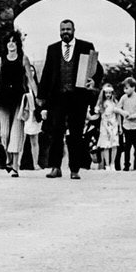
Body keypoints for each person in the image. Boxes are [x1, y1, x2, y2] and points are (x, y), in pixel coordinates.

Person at [34, 18, 98, 179]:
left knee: (76, 134)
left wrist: (94, 80)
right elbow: (47, 74)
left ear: (74, 30)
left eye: (68, 29)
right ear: (59, 31)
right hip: (57, 98)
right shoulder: (53, 49)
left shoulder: (85, 47)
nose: (65, 32)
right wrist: (41, 98)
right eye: (63, 30)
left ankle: (75, 169)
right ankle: (55, 167)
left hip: (78, 98)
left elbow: (97, 68)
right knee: (56, 133)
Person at [0, 24, 33, 178]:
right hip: (4, 99)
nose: (11, 44)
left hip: (19, 99)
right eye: (8, 42)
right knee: (4, 133)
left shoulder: (23, 59)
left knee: (16, 132)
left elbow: (30, 80)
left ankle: (15, 166)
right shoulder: (1, 60)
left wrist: (38, 98)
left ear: (18, 43)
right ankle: (8, 159)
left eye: (14, 41)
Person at [118, 76, 136, 170]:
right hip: (127, 126)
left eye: (127, 88)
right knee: (127, 147)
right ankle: (126, 165)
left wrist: (134, 115)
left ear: (133, 87)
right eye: (124, 88)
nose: (125, 90)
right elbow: (117, 108)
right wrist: (123, 113)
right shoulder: (123, 98)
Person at [94, 78, 123, 170]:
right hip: (104, 125)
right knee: (105, 145)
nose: (108, 95)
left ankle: (112, 163)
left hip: (113, 124)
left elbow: (118, 115)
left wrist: (120, 126)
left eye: (110, 93)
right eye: (106, 93)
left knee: (114, 144)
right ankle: (106, 164)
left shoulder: (115, 102)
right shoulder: (101, 103)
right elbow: (98, 114)